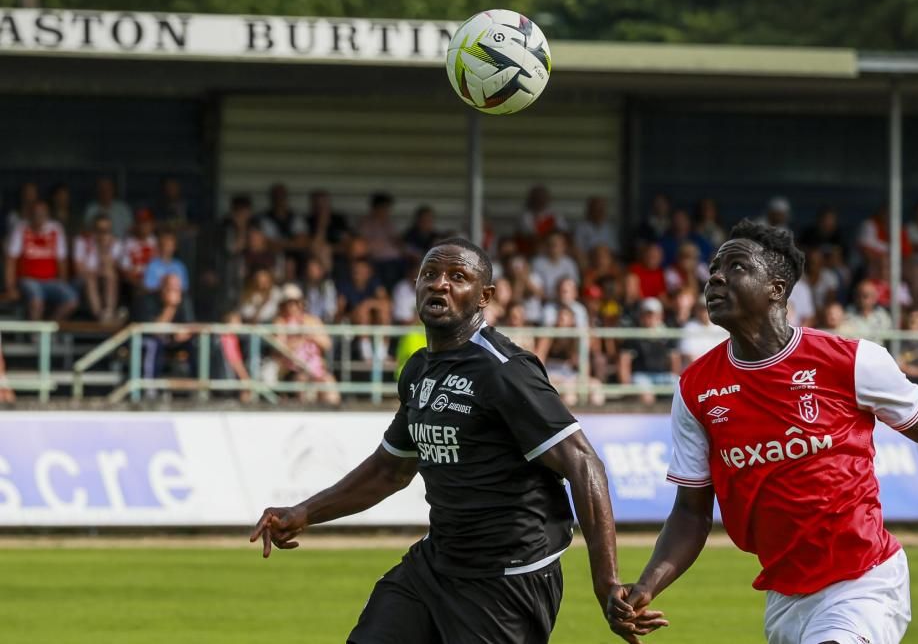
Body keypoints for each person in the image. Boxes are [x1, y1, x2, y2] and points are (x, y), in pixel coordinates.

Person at [608, 221, 918, 643]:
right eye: (714, 269)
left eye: (736, 266)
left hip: (865, 583)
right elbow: (691, 512)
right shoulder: (695, 388)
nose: (715, 276)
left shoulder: (851, 361)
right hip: (784, 599)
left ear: (777, 289)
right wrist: (647, 585)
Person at [251, 238, 650, 643]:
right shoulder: (419, 369)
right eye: (430, 274)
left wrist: (607, 582)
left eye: (458, 277)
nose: (439, 284)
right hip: (437, 565)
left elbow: (584, 464)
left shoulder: (505, 370)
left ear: (484, 297)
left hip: (505, 580)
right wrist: (305, 512)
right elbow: (390, 469)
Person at [4, 200, 78, 321]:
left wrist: (62, 282)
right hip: (28, 279)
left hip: (51, 281)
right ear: (30, 214)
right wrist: (11, 287)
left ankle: (48, 328)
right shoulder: (21, 229)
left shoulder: (56, 229)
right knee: (37, 301)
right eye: (35, 214)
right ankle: (36, 337)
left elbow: (62, 261)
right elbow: (10, 260)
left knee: (71, 300)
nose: (38, 217)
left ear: (47, 215)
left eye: (42, 214)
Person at [273, 283, 341, 406]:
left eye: (295, 303)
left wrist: (311, 335)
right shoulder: (280, 322)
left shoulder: (312, 320)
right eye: (289, 303)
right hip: (292, 370)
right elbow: (280, 348)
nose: (292, 307)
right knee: (302, 382)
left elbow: (327, 344)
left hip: (316, 369)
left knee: (329, 387)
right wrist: (300, 339)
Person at [617, 297, 679, 406]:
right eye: (647, 314)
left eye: (653, 314)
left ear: (660, 316)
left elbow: (674, 360)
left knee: (679, 389)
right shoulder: (633, 335)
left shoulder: (668, 335)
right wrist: (626, 388)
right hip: (640, 376)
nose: (650, 318)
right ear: (641, 316)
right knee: (646, 394)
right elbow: (624, 361)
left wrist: (673, 375)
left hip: (662, 376)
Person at [73, 214, 123, 323]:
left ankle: (109, 312)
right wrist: (93, 273)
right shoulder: (82, 240)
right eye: (100, 230)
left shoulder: (115, 243)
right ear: (93, 229)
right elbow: (78, 269)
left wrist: (103, 248)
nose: (103, 233)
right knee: (91, 278)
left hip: (103, 276)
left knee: (110, 274)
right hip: (83, 279)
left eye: (106, 230)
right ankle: (99, 315)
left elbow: (111, 266)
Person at [573, 196, 618, 261]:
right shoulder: (581, 227)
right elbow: (578, 249)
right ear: (590, 210)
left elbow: (614, 250)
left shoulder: (609, 228)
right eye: (596, 208)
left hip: (606, 261)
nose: (599, 211)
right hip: (588, 260)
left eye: (601, 208)